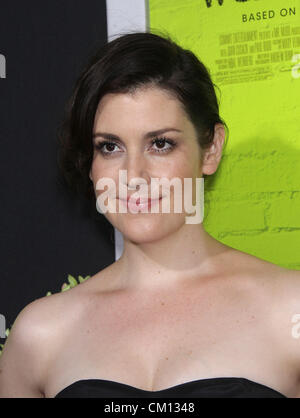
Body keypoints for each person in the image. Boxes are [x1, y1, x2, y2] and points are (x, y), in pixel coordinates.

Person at [0, 31, 299, 398]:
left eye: (160, 144)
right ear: (90, 164)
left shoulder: (289, 308)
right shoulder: (41, 333)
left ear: (210, 149)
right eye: (109, 147)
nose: (134, 176)